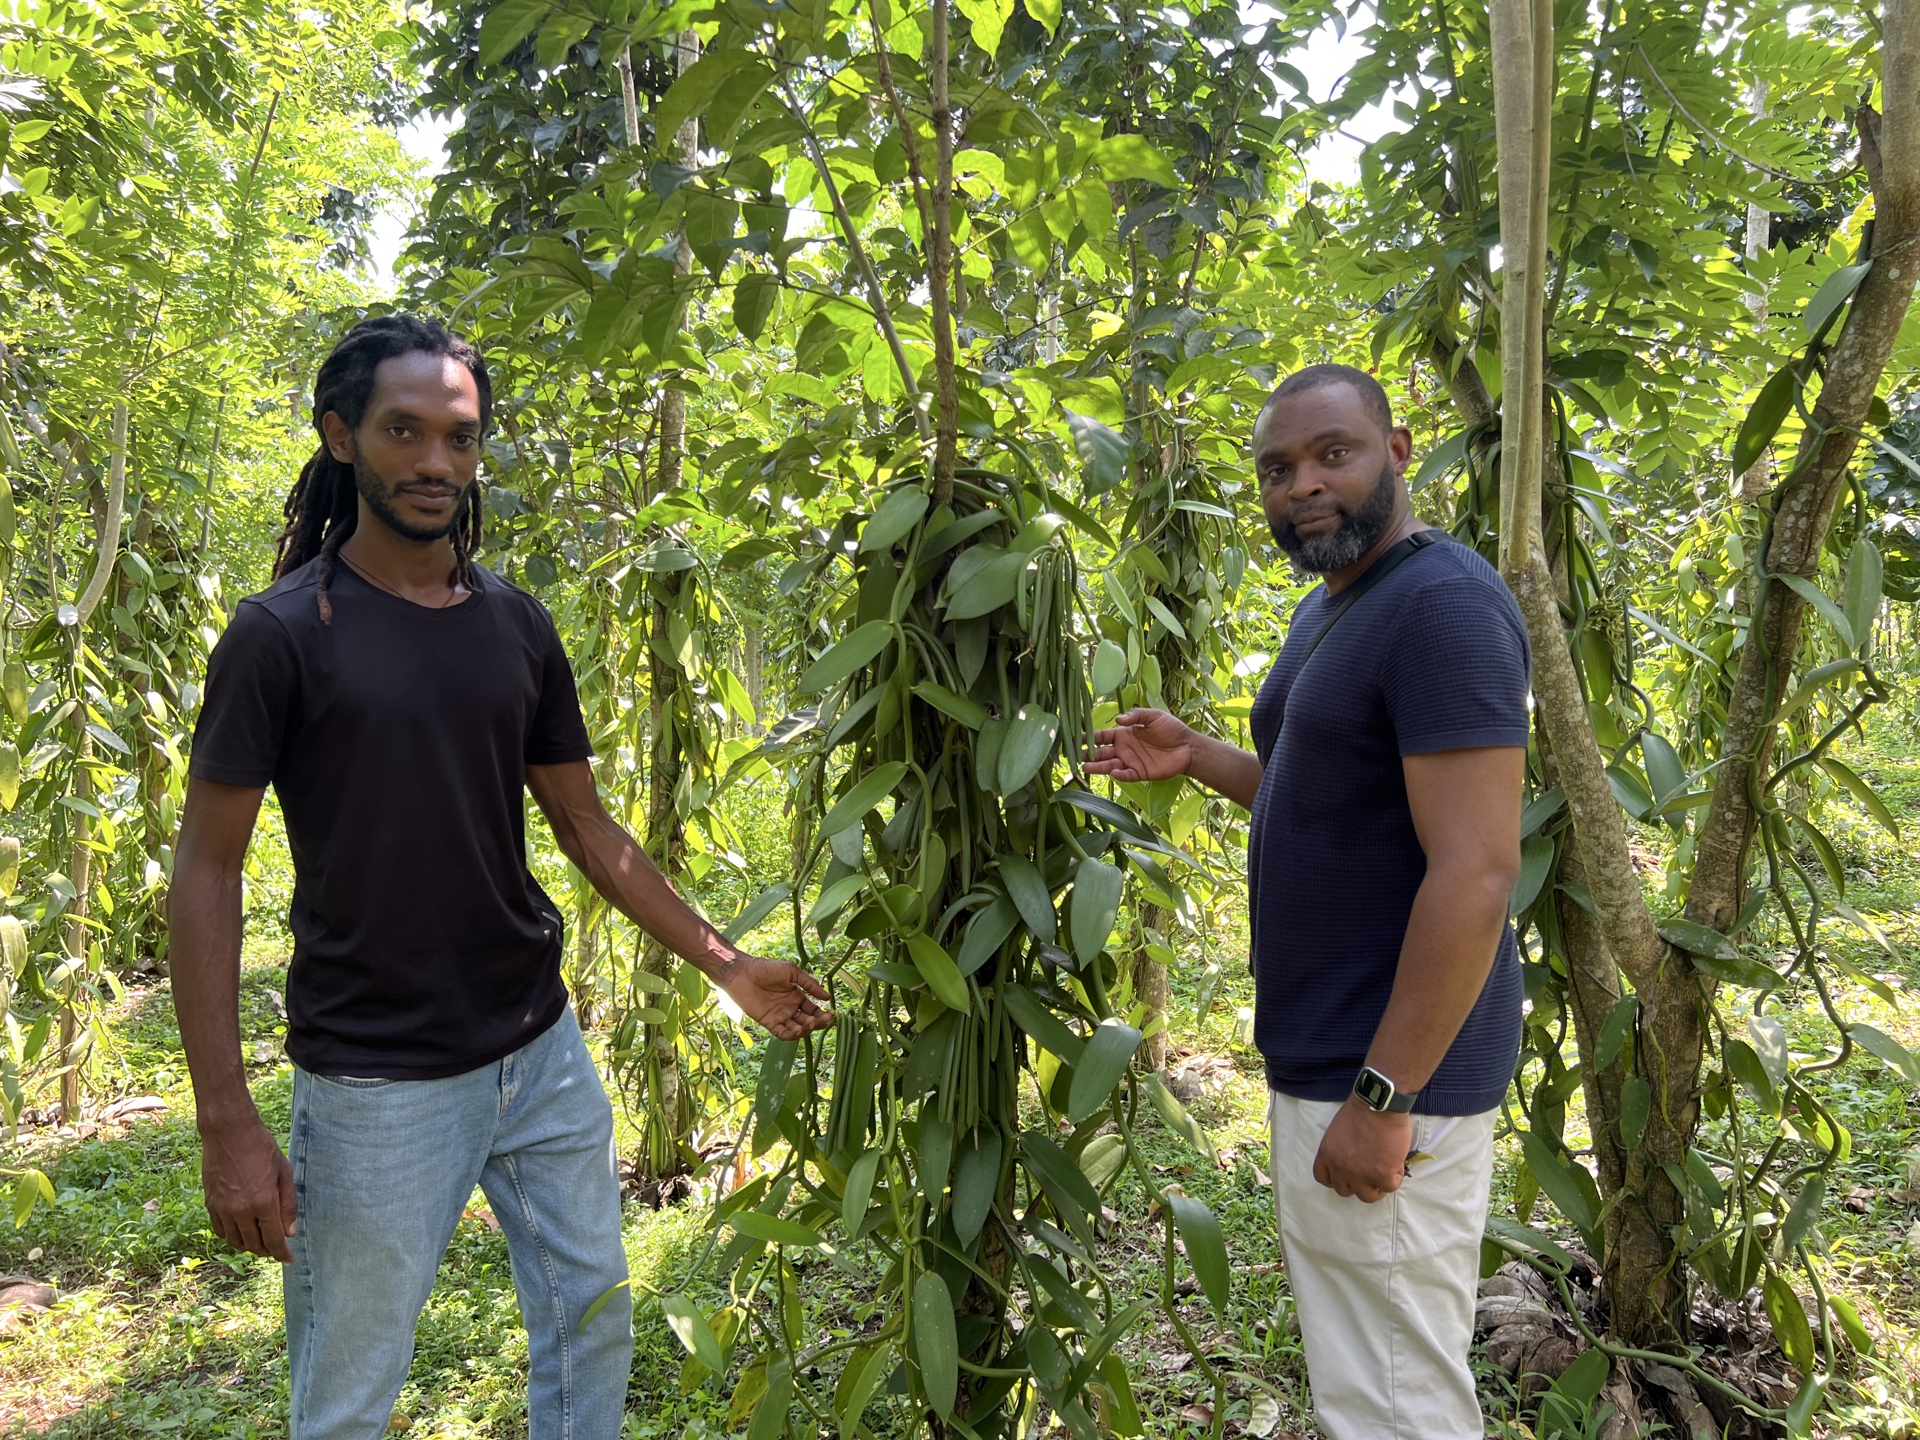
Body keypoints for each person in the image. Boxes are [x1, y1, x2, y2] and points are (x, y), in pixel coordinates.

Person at [170, 314, 833, 1440]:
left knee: (592, 1325)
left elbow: (587, 829)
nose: (436, 463)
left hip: (539, 1053)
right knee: (349, 1391)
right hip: (380, 1080)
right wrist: (225, 1117)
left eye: (460, 438)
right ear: (341, 437)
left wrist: (728, 966)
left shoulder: (514, 626)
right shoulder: (281, 636)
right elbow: (205, 868)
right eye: (404, 431)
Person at [1088, 363, 1526, 1438]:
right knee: (1368, 1384)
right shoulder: (1339, 606)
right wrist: (1198, 757)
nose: (1304, 487)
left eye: (1335, 454)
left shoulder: (1443, 608)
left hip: (1387, 1074)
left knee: (1396, 1400)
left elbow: (1475, 871)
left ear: (1400, 449)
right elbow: (1322, 796)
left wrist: (1384, 1098)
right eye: (1279, 469)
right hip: (1340, 1057)